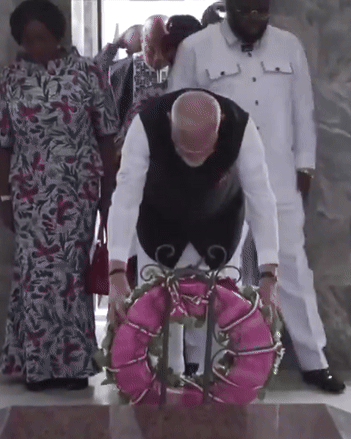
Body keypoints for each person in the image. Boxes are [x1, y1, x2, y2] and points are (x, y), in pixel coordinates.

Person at [167, 0, 346, 393]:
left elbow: (303, 108)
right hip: (218, 183)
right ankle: (202, 363)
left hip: (278, 179)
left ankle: (315, 361)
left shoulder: (288, 46)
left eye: (261, 11)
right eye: (246, 11)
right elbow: (178, 115)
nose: (255, 19)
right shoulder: (196, 48)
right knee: (211, 270)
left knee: (292, 269)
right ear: (229, 7)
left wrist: (305, 165)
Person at [106, 89, 280, 375]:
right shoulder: (145, 125)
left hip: (220, 230)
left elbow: (261, 196)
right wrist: (116, 272)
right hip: (159, 230)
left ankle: (213, 406)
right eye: (183, 151)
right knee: (161, 337)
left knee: (216, 337)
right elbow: (125, 197)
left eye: (202, 153)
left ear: (220, 123)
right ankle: (164, 403)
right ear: (168, 124)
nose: (191, 162)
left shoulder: (240, 127)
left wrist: (270, 274)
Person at [0, 0, 119, 392]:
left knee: (71, 278)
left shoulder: (89, 74)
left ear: (59, 35)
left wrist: (109, 197)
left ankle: (75, 365)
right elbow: (1, 143)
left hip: (77, 193)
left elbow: (107, 137)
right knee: (35, 279)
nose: (35, 47)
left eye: (41, 38)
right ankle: (37, 366)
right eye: (27, 40)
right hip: (28, 194)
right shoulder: (12, 77)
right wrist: (4, 199)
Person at [114, 14, 203, 149]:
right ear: (142, 42)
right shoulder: (125, 73)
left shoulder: (188, 75)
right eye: (151, 49)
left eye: (164, 49)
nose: (158, 58)